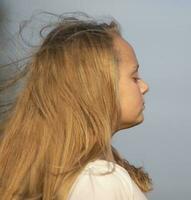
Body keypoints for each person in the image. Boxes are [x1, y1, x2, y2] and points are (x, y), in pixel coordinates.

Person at [0, 12, 152, 199]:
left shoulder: (86, 178)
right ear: (97, 86)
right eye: (134, 77)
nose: (145, 87)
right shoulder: (99, 181)